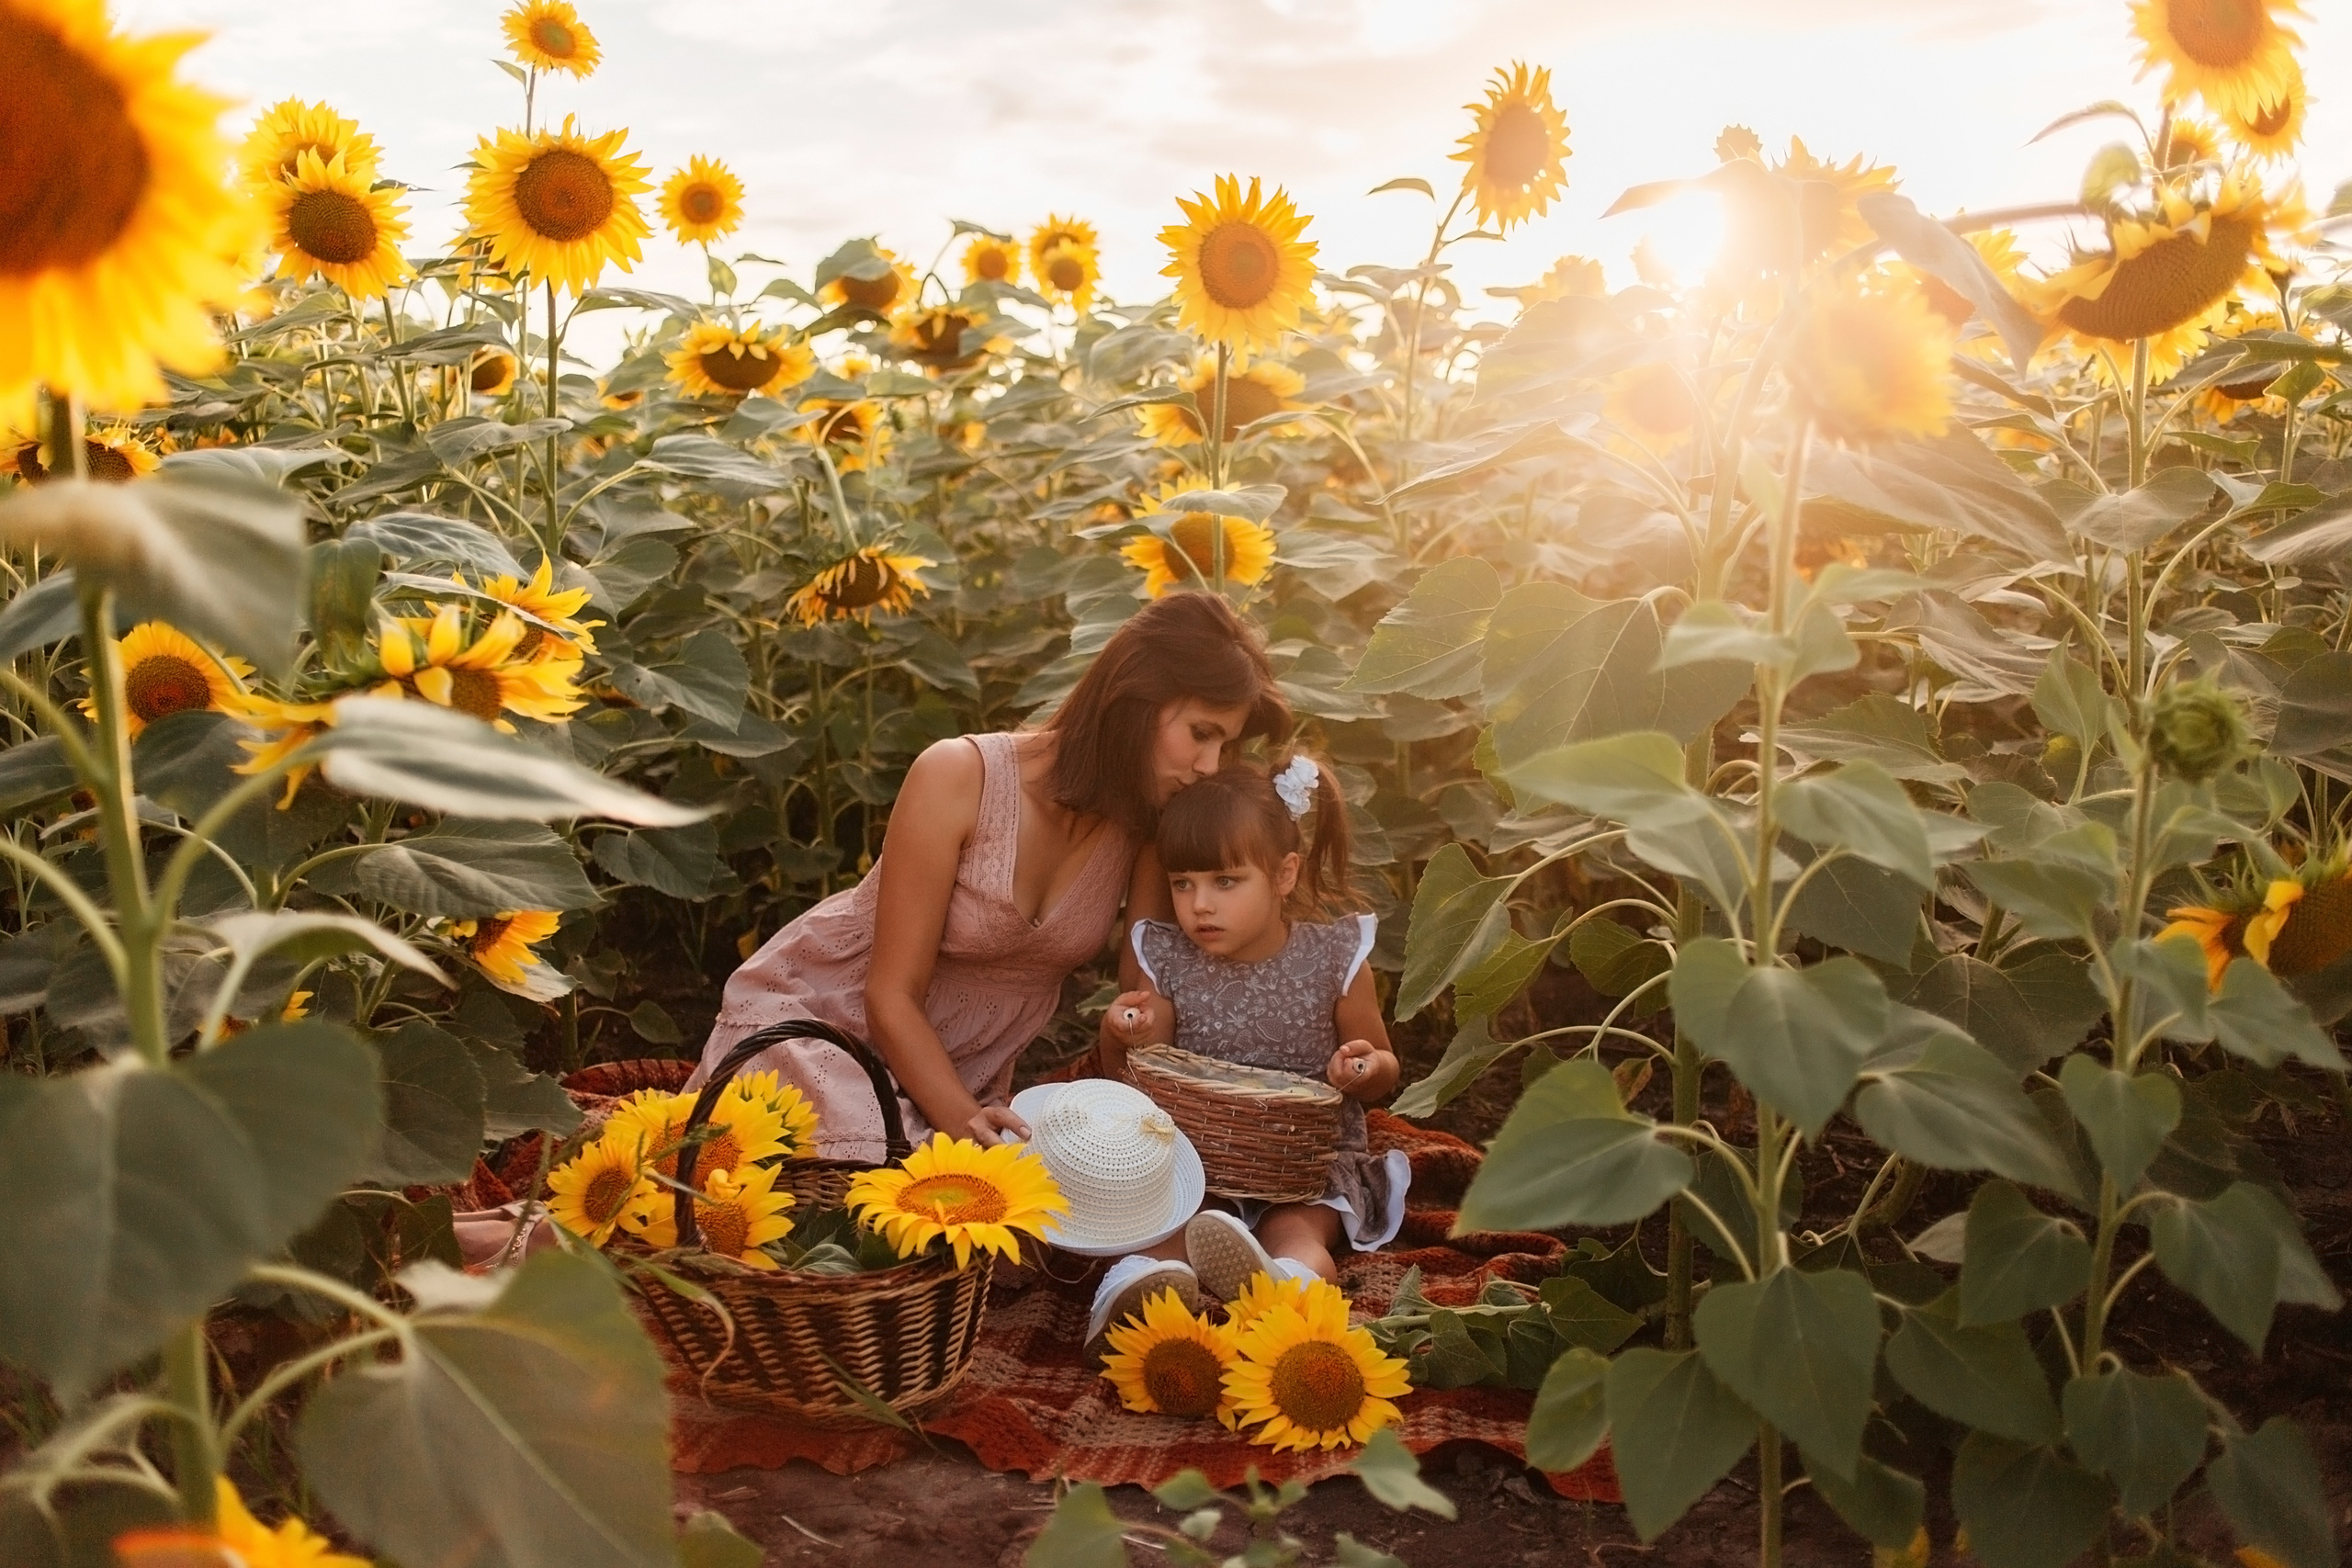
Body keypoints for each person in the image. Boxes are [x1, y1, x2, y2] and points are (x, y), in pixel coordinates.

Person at [687, 592, 1294, 1163]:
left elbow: (1141, 1002)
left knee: (1023, 1210)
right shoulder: (958, 776)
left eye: (1225, 744)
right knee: (890, 1180)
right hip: (822, 1032)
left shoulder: (1146, 829)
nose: (1210, 765)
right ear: (1136, 698)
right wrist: (965, 1128)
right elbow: (889, 994)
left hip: (955, 1085)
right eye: (1201, 733)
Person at [1084, 751, 1408, 1342]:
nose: (1200, 904)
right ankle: (1142, 1284)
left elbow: (1386, 1070)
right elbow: (1144, 1069)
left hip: (1305, 1167)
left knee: (1299, 1231)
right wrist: (1130, 1027)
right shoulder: (1172, 959)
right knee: (1164, 1232)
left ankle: (1285, 1285)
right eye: (1184, 884)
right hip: (1198, 1165)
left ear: (1284, 875)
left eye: (1225, 882)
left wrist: (1360, 1068)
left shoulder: (1333, 959)